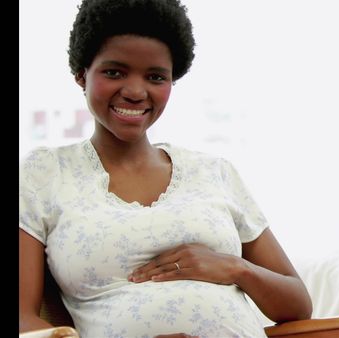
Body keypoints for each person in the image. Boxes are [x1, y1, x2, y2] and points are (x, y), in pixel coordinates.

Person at [18, 0, 313, 337]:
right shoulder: (44, 174)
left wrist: (235, 268)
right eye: (114, 72)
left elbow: (297, 303)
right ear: (82, 75)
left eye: (156, 77)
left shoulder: (213, 171)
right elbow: (22, 320)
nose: (134, 91)